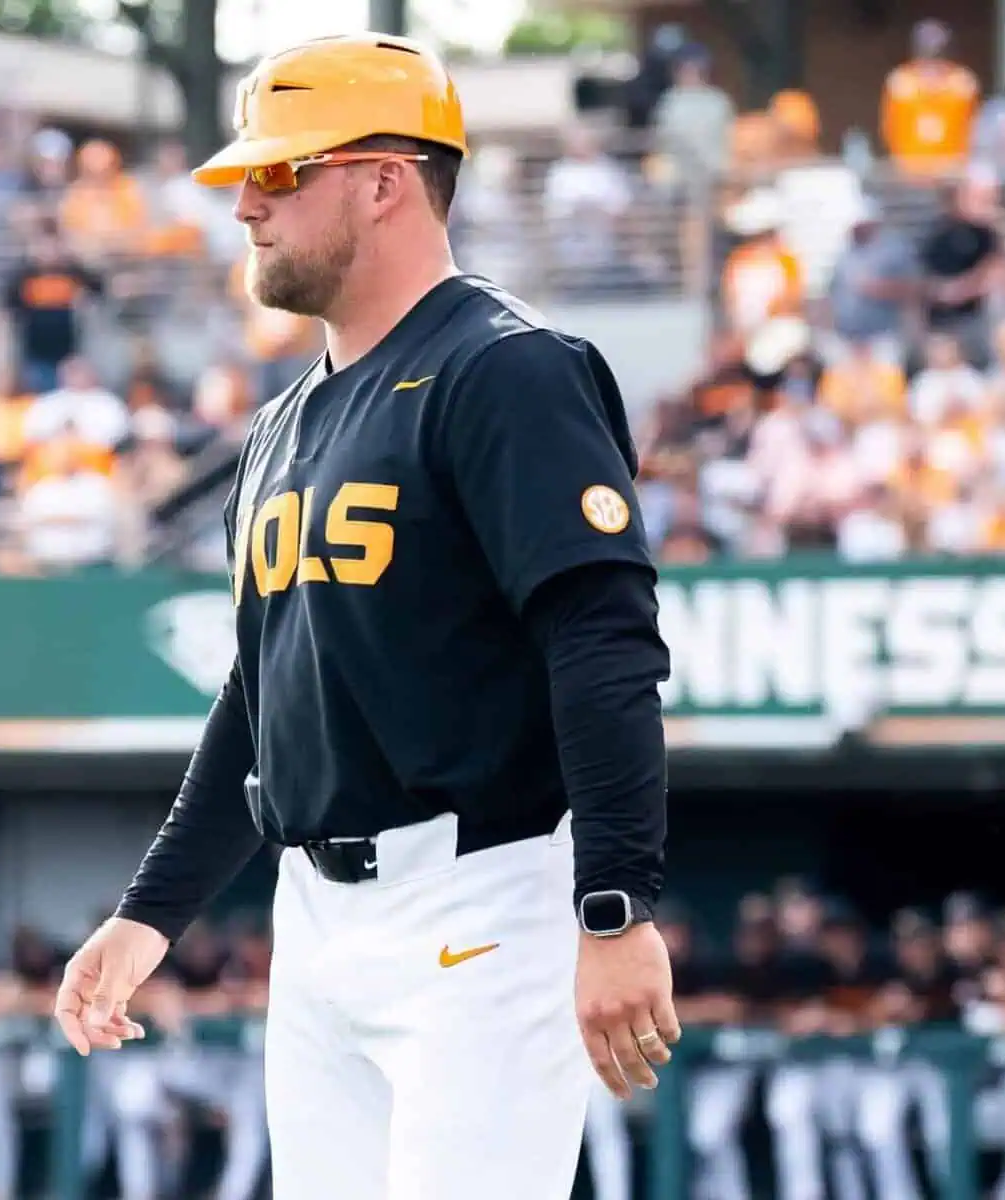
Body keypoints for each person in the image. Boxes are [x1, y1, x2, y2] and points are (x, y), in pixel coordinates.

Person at [51, 32, 678, 1200]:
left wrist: (615, 905)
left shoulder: (509, 368)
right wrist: (150, 915)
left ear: (386, 179)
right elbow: (262, 693)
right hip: (319, 916)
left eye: (282, 172)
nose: (245, 204)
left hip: (480, 898)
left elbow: (601, 646)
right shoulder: (285, 422)